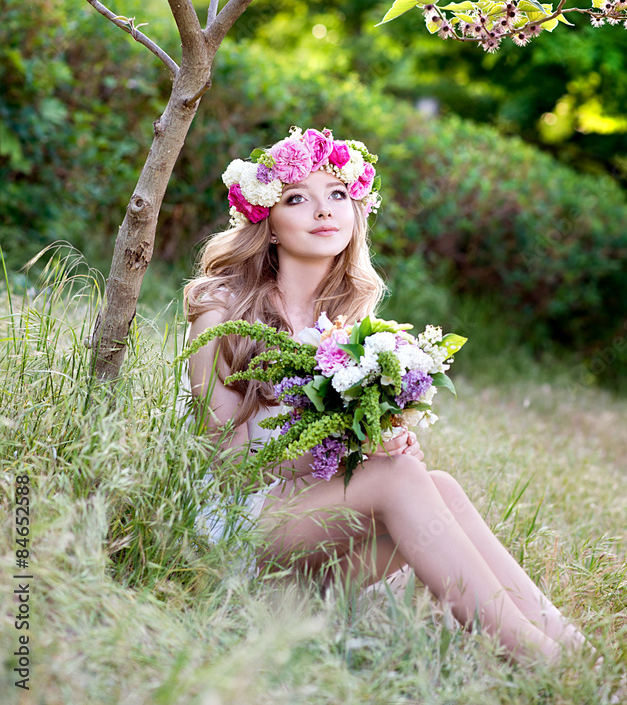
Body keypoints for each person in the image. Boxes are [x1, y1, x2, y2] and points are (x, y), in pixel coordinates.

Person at [184, 125, 587, 666]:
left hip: (317, 540)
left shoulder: (351, 322)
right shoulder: (224, 309)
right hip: (241, 527)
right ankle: (539, 659)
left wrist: (385, 441)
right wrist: (320, 457)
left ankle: (569, 646)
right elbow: (221, 455)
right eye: (297, 199)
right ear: (269, 225)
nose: (323, 211)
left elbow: (354, 450)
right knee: (397, 479)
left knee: (434, 482)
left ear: (356, 215)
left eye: (338, 196)